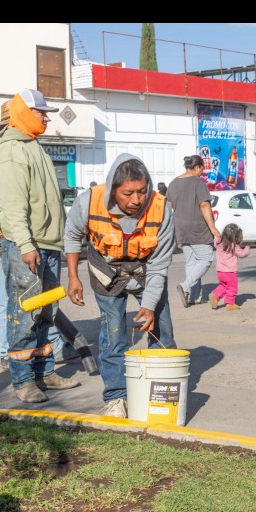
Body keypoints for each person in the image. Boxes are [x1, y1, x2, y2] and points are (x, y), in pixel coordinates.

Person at [64, 153, 176, 419]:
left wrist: (150, 305)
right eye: (128, 193)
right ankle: (116, 398)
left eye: (142, 191)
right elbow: (72, 236)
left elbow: (159, 264)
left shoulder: (161, 208)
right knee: (113, 336)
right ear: (113, 189)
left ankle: (160, 395)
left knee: (162, 333)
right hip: (106, 273)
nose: (136, 200)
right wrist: (73, 277)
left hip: (147, 272)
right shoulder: (89, 201)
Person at [0, 88, 80, 403]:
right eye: (41, 112)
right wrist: (26, 245)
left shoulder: (31, 144)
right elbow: (12, 205)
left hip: (46, 244)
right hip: (27, 246)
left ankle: (45, 372)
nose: (46, 118)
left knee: (46, 312)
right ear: (25, 113)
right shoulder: (11, 150)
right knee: (24, 314)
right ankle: (24, 381)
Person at [165, 154, 221, 308]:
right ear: (196, 167)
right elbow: (204, 205)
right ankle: (185, 286)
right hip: (197, 227)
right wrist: (213, 228)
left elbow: (169, 206)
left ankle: (192, 297)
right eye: (201, 169)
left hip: (180, 227)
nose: (202, 173)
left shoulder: (173, 183)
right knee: (205, 259)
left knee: (191, 262)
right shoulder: (198, 182)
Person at [209, 223, 250, 311]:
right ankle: (230, 303)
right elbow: (242, 254)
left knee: (224, 286)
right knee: (232, 288)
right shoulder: (234, 246)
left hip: (220, 272)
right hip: (230, 272)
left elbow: (216, 238)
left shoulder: (219, 243)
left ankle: (215, 295)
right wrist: (247, 249)